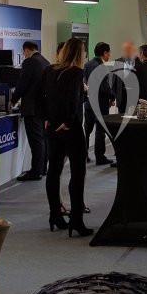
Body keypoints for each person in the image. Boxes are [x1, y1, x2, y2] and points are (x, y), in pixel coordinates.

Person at [39, 38, 93, 237]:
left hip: (52, 128)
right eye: (84, 51)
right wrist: (68, 122)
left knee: (54, 170)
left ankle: (55, 215)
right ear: (79, 53)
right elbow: (73, 101)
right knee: (78, 173)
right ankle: (76, 220)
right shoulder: (77, 73)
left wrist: (47, 118)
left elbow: (40, 96)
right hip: (71, 128)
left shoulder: (49, 70)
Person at [13, 41, 50, 181]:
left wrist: (13, 100)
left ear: (26, 50)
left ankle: (36, 171)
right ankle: (42, 168)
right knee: (42, 139)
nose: (24, 55)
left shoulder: (29, 62)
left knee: (36, 141)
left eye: (24, 52)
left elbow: (22, 84)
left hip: (31, 108)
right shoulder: (45, 62)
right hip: (42, 108)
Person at [83, 42, 115, 166]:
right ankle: (99, 157)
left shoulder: (87, 64)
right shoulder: (101, 67)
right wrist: (112, 96)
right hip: (100, 103)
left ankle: (84, 155)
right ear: (105, 53)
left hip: (89, 102)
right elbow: (104, 87)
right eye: (109, 53)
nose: (109, 55)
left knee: (87, 130)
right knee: (100, 131)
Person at [114, 41, 139, 115]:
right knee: (121, 118)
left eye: (129, 49)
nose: (127, 51)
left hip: (134, 97)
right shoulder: (117, 62)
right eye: (126, 49)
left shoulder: (138, 62)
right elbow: (115, 80)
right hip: (121, 97)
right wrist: (114, 96)